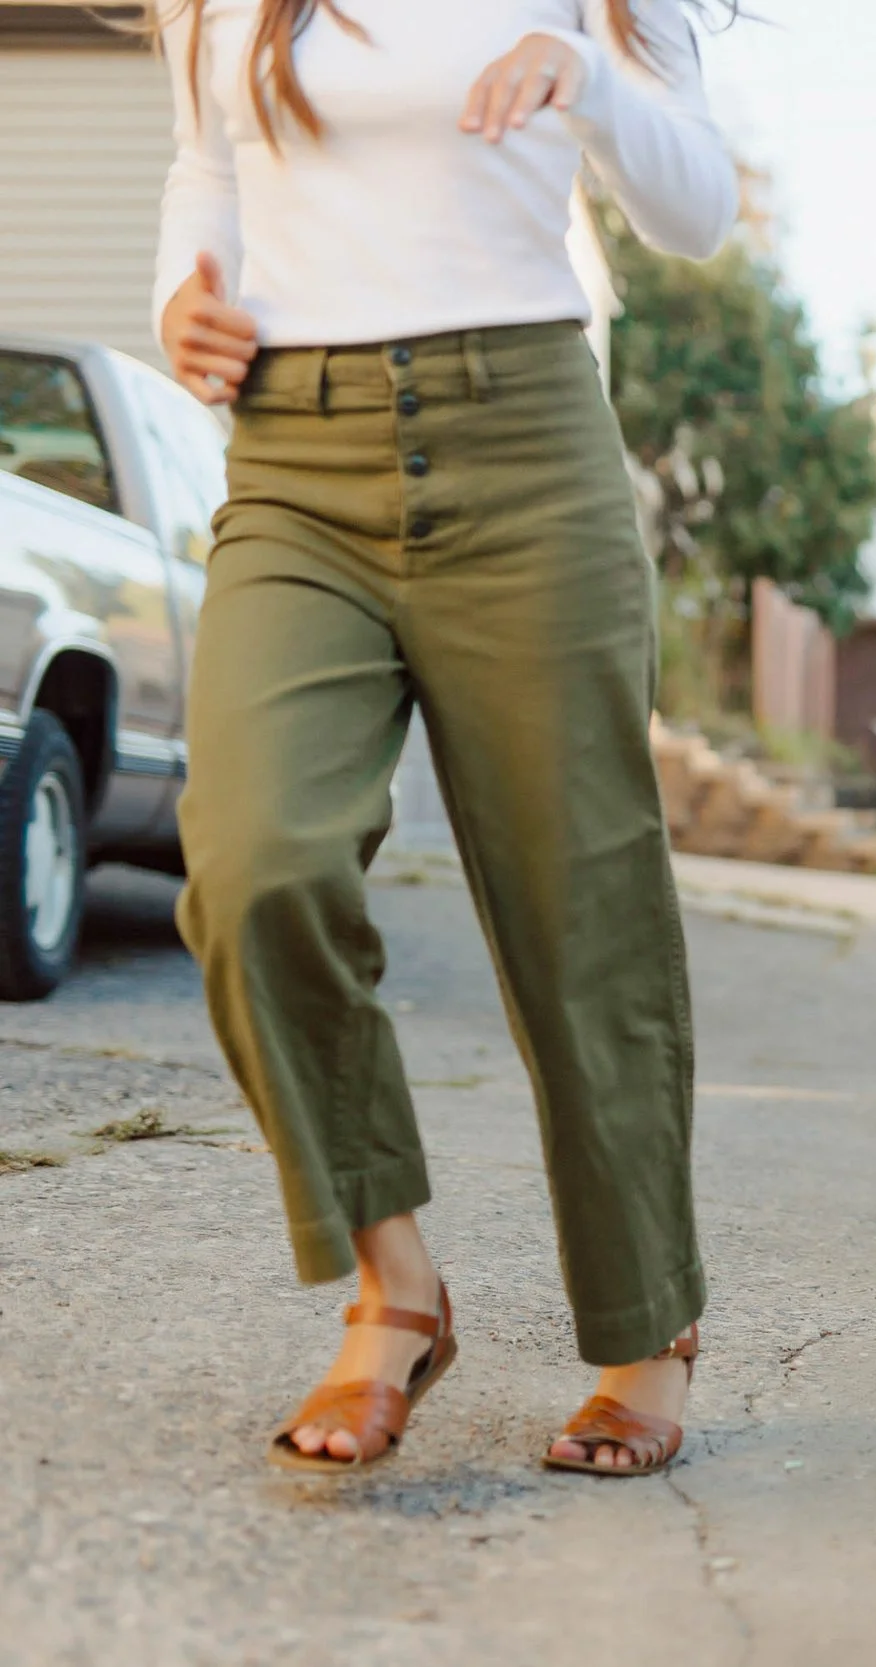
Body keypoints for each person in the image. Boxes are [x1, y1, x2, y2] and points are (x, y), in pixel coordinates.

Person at [153, 0, 740, 1470]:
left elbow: (698, 211)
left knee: (578, 906)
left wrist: (591, 74)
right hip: (294, 454)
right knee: (252, 857)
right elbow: (207, 159)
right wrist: (184, 290)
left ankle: (643, 1325)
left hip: (525, 441)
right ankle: (394, 1282)